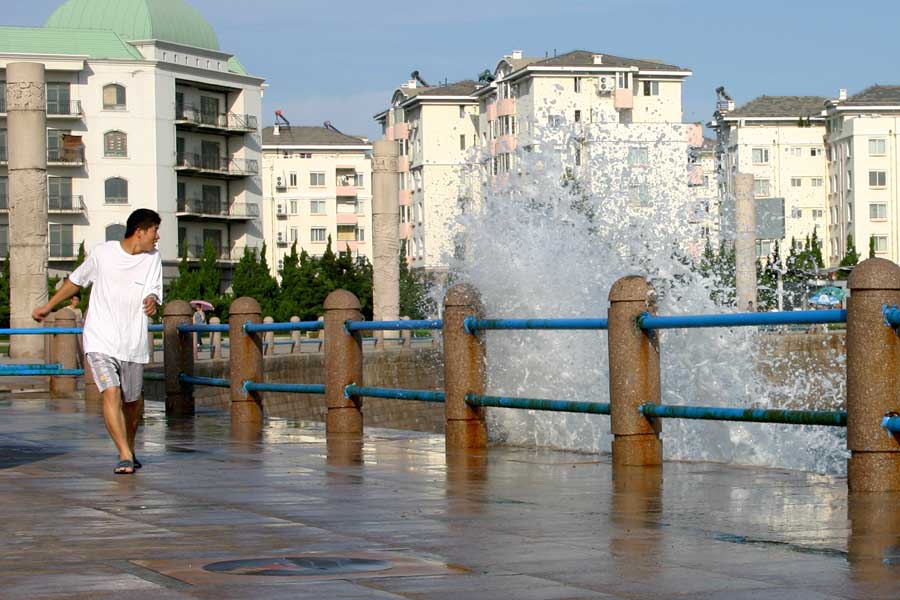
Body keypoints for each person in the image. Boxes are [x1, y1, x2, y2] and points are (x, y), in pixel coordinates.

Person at [32, 209, 162, 475]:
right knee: (111, 392)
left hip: (133, 343)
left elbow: (153, 292)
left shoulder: (153, 258)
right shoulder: (104, 253)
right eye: (155, 231)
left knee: (132, 402)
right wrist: (49, 306)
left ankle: (129, 446)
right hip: (100, 338)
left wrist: (151, 302)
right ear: (140, 231)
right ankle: (124, 454)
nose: (157, 237)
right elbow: (75, 282)